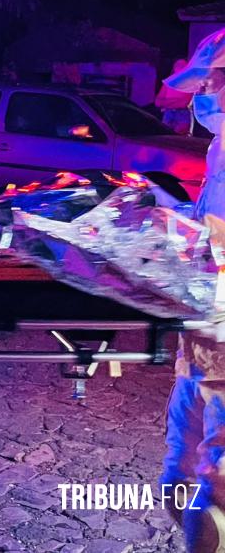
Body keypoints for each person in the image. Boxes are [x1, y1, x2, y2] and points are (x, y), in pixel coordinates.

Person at [159, 28, 225, 552]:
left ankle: (211, 521)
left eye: (212, 82)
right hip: (206, 303)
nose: (203, 94)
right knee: (189, 404)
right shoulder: (221, 144)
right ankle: (181, 491)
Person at [156, 59, 196, 135]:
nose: (180, 67)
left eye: (183, 66)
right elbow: (158, 102)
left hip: (182, 114)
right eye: (178, 65)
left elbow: (185, 103)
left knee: (179, 137)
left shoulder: (191, 84)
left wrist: (167, 102)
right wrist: (176, 101)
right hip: (168, 113)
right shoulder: (168, 83)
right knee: (165, 136)